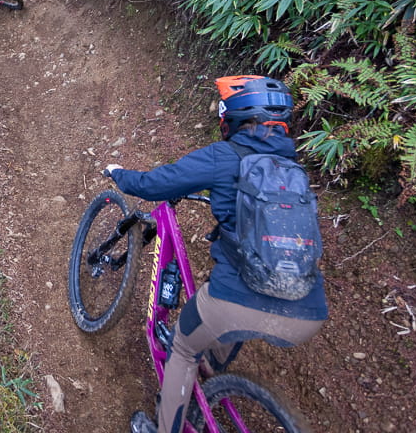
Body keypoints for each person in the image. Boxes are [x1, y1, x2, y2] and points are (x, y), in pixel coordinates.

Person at [103, 75, 328, 433]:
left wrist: (120, 174)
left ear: (234, 118)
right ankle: (212, 372)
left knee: (182, 346)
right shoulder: (294, 171)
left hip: (236, 302)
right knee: (229, 308)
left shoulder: (225, 156)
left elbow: (155, 184)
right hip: (308, 311)